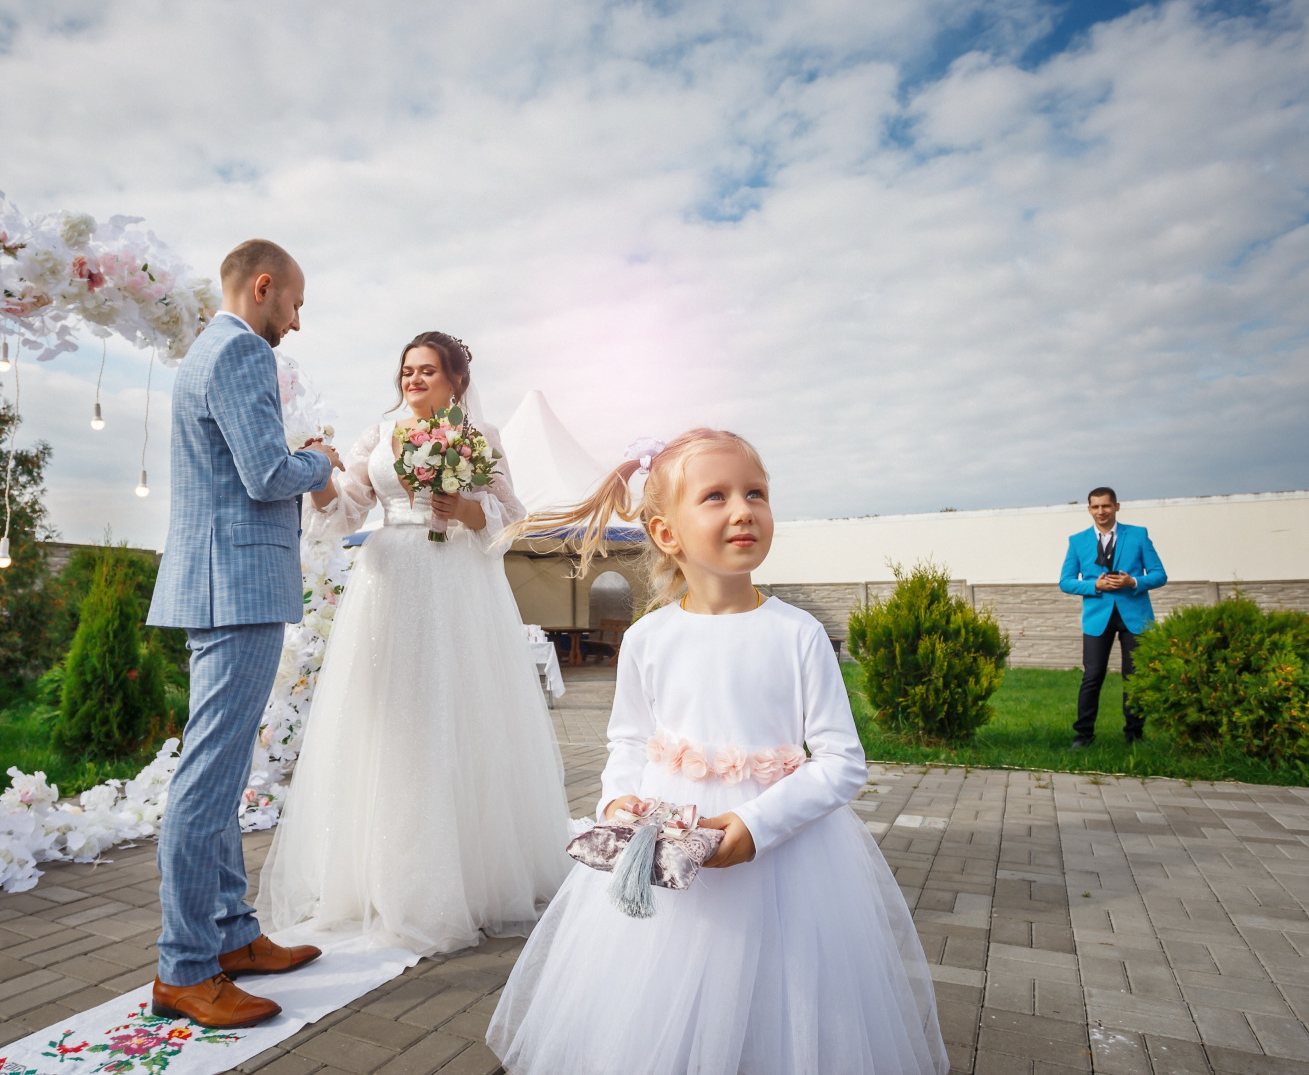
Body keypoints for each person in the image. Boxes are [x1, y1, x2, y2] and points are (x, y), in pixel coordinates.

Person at [487, 430, 947, 1075]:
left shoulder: (798, 633)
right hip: (666, 841)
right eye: (716, 496)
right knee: (663, 992)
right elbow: (628, 738)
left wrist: (758, 825)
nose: (743, 510)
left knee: (779, 993)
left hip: (782, 856)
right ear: (667, 532)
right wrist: (618, 799)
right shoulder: (649, 638)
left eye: (755, 492)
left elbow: (842, 762)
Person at [257, 332, 573, 956]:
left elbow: (511, 519)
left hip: (457, 580)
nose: (413, 380)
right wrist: (317, 475)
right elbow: (345, 512)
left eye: (427, 371)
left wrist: (467, 509)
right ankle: (381, 877)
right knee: (388, 718)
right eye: (406, 371)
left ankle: (464, 876)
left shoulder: (481, 439)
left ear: (456, 380)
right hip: (388, 579)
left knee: (455, 713)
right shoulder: (377, 438)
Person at [144, 239, 343, 1028]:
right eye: (294, 304)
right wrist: (318, 458)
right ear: (263, 287)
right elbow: (267, 476)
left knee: (219, 773)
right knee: (206, 780)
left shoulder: (208, 352)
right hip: (237, 589)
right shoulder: (240, 354)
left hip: (219, 584)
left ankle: (229, 936)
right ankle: (185, 966)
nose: (294, 324)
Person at [1058, 487, 1167, 748]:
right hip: (1097, 617)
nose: (1101, 511)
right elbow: (1066, 582)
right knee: (1092, 676)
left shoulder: (1138, 535)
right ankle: (1083, 736)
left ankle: (1134, 735)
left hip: (1135, 616)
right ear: (1089, 510)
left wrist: (1133, 581)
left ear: (1116, 506)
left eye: (1106, 506)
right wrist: (1095, 586)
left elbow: (1159, 575)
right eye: (1095, 507)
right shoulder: (1078, 541)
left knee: (1135, 677)